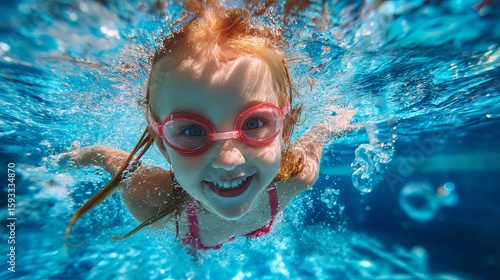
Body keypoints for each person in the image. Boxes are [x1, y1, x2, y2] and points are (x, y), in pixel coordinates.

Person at [60, 1, 358, 250]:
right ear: (163, 143)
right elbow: (120, 166)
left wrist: (328, 127)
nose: (229, 160)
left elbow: (316, 138)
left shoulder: (297, 178)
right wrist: (88, 157)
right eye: (191, 130)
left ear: (286, 128)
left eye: (255, 122)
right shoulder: (150, 201)